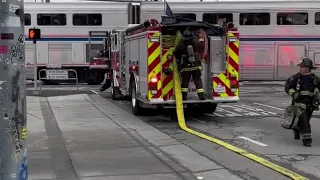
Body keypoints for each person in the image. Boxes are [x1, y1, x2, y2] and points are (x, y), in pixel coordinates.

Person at [284, 57, 320, 147]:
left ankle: (296, 128)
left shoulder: (315, 78)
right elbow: (287, 87)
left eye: (303, 67)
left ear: (308, 68)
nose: (300, 68)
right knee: (304, 120)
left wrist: (318, 97)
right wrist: (294, 93)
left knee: (305, 120)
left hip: (311, 104)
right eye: (300, 66)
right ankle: (307, 139)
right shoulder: (295, 78)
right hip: (299, 103)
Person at [173, 28, 205, 100]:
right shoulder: (195, 41)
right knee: (197, 80)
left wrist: (179, 60)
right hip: (196, 65)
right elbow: (202, 48)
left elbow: (176, 52)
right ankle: (201, 95)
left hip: (185, 67)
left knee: (185, 82)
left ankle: (184, 96)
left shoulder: (181, 43)